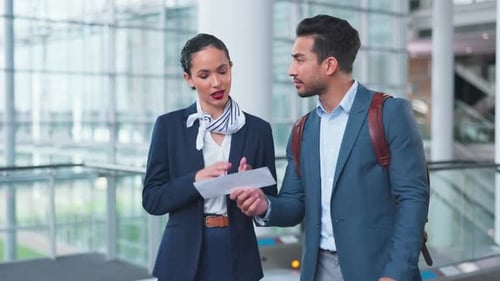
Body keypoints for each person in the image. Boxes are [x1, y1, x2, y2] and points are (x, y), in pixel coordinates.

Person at [230, 14, 429, 281]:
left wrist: (395, 273)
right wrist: (263, 203)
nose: (291, 70)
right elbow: (294, 203)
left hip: (378, 270)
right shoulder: (303, 129)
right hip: (317, 270)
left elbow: (413, 199)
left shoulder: (390, 113)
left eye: (300, 59)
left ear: (329, 65)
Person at [142, 33, 277, 281]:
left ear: (231, 68)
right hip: (183, 254)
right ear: (189, 79)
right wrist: (196, 180)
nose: (217, 83)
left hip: (238, 253)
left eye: (222, 71)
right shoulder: (169, 127)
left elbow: (270, 198)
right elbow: (152, 200)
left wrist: (254, 195)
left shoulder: (258, 130)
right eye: (204, 75)